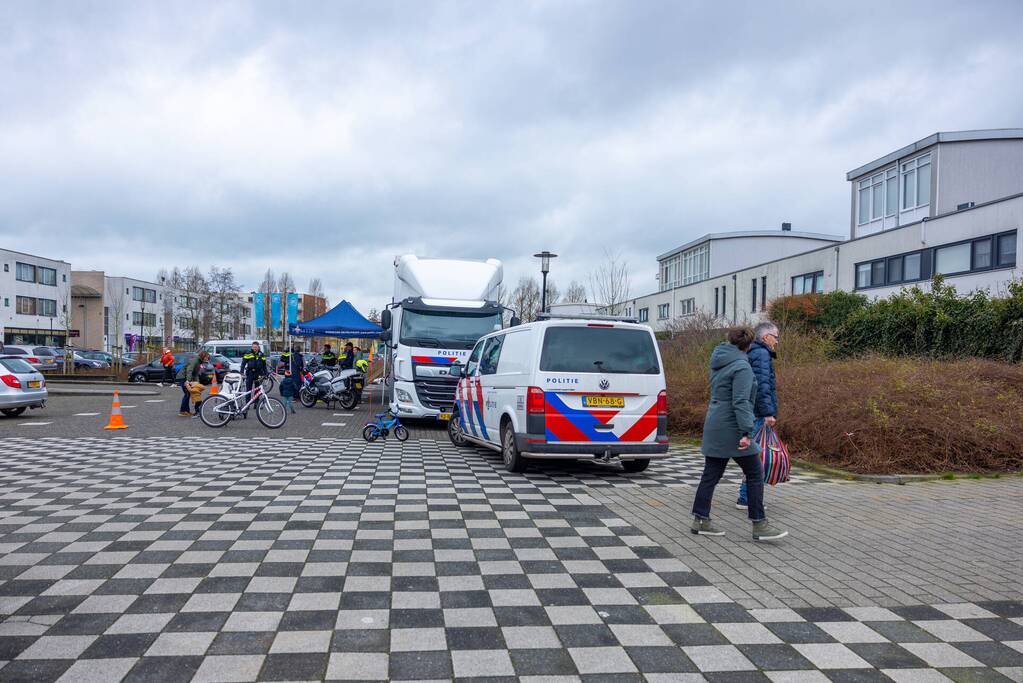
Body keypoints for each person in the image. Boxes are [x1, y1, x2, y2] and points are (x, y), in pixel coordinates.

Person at [691, 327, 787, 541]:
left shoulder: (720, 360)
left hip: (715, 422)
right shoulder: (742, 367)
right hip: (733, 426)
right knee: (755, 472)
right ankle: (759, 525)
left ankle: (700, 520)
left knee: (711, 475)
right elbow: (741, 401)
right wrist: (746, 431)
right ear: (749, 345)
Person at [737, 321, 780, 509]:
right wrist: (768, 413)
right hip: (757, 413)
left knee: (753, 457)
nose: (777, 341)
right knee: (756, 458)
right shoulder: (762, 354)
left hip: (750, 411)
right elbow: (762, 387)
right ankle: (747, 499)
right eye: (776, 337)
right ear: (765, 337)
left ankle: (746, 497)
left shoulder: (751, 352)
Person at [176, 350, 209, 417]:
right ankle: (183, 411)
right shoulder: (195, 361)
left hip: (185, 377)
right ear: (203, 356)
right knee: (187, 394)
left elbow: (196, 374)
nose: (207, 359)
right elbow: (189, 370)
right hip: (183, 377)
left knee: (187, 394)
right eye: (206, 357)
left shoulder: (199, 362)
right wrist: (188, 380)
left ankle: (185, 411)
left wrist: (197, 383)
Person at [240, 342, 268, 417]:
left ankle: (256, 403)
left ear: (258, 347)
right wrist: (241, 372)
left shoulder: (261, 354)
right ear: (252, 347)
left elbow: (264, 365)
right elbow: (243, 364)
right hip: (250, 373)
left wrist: (266, 373)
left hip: (258, 374)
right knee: (248, 389)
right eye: (253, 347)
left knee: (257, 389)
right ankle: (247, 404)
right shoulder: (248, 353)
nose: (255, 348)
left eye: (256, 347)